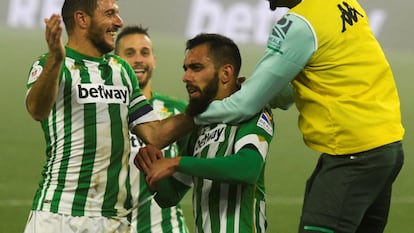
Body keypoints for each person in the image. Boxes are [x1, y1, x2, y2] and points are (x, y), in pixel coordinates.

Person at [191, 0, 405, 232]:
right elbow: (291, 88)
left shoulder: (300, 24)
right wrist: (258, 91)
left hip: (354, 154)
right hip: (387, 149)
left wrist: (188, 118)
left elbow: (245, 106)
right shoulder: (342, 3)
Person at [23, 0, 193, 232]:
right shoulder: (51, 64)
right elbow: (37, 109)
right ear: (82, 19)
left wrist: (204, 109)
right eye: (110, 14)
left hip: (112, 219)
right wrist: (56, 59)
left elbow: (154, 134)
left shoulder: (121, 71)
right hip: (59, 214)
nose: (119, 22)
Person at [135, 33, 274, 233]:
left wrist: (176, 162)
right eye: (186, 69)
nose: (186, 77)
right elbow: (170, 196)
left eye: (196, 68)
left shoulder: (253, 110)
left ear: (226, 73)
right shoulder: (198, 123)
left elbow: (248, 168)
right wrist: (151, 169)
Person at [114, 25, 190, 233]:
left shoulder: (178, 113)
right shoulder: (103, 112)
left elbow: (194, 164)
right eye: (129, 53)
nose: (138, 59)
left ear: (154, 60)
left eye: (144, 52)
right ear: (115, 62)